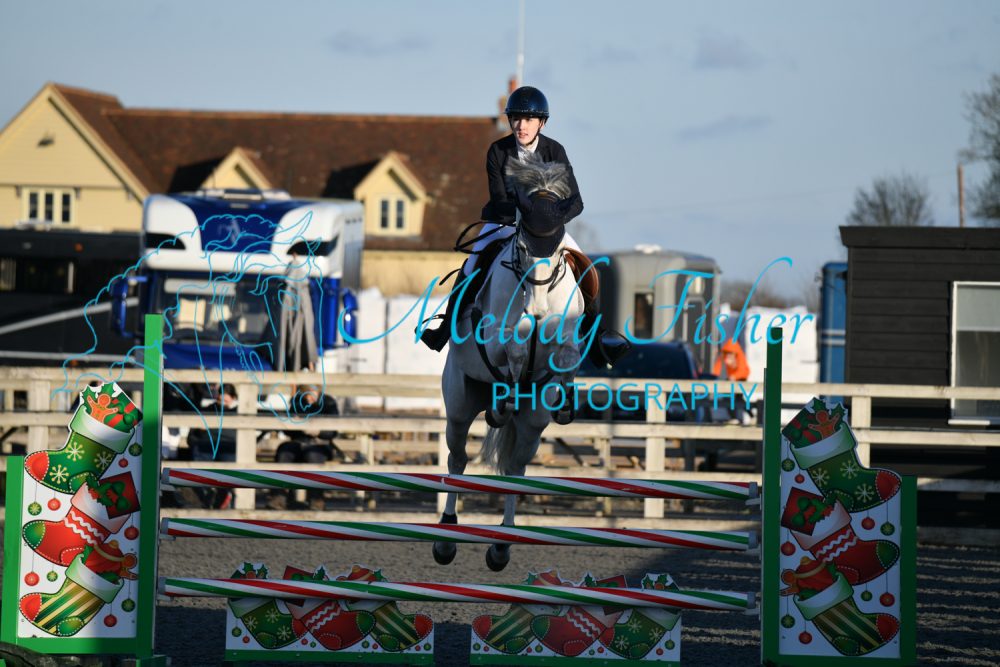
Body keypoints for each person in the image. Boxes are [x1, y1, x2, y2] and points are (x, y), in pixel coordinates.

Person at [420, 86, 628, 366]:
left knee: (585, 268)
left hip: (546, 228)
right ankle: (445, 328)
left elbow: (575, 202)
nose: (521, 125)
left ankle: (597, 337)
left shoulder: (554, 151)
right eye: (516, 118)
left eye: (529, 119)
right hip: (503, 223)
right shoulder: (498, 151)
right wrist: (529, 217)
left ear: (541, 123)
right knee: (471, 267)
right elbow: (500, 199)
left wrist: (548, 220)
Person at [712, 340, 751, 423]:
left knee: (739, 399)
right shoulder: (725, 354)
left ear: (734, 353)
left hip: (741, 378)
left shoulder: (739, 355)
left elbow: (744, 371)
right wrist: (714, 375)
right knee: (727, 397)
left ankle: (750, 415)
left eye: (731, 354)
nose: (729, 356)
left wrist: (735, 376)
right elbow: (718, 365)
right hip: (731, 379)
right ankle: (733, 417)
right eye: (728, 354)